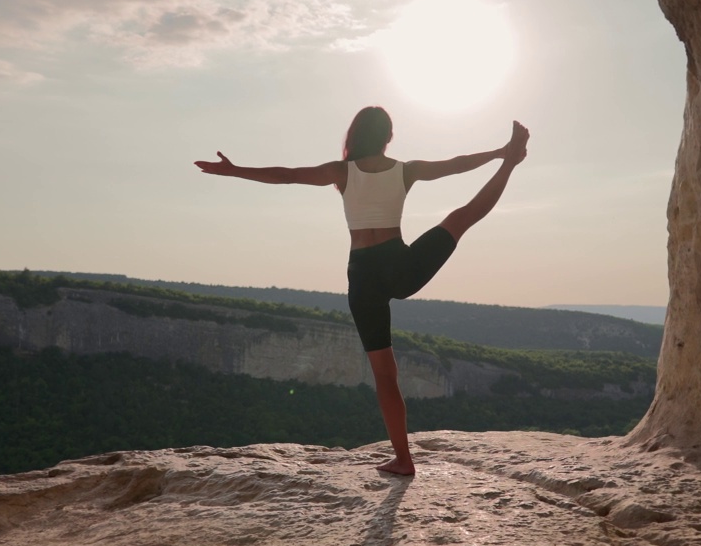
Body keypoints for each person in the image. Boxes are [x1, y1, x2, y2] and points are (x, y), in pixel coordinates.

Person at [195, 107, 529, 475]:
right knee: (460, 217)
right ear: (388, 137)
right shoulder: (406, 169)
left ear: (354, 136)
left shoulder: (342, 172)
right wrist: (500, 155)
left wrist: (234, 170)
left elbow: (286, 176)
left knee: (385, 373)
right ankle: (511, 164)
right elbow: (456, 164)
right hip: (401, 267)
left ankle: (403, 459)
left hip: (363, 276)